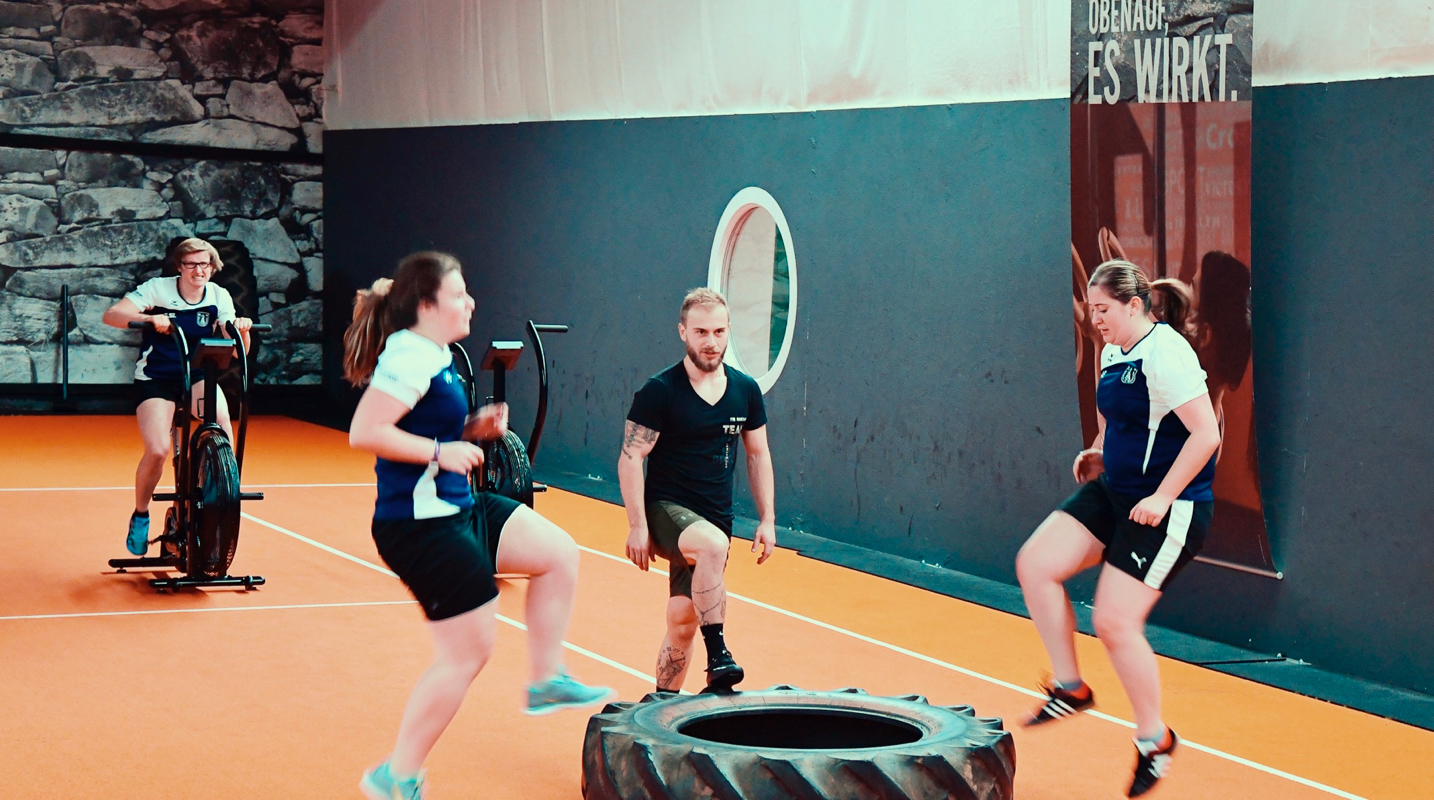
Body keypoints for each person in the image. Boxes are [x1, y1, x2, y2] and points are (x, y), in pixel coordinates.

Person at [344, 251, 612, 800]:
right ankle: (395, 775)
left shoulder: (438, 352)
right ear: (426, 305)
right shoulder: (409, 354)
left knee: (557, 554)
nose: (471, 302)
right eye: (459, 294)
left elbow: (422, 423)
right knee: (466, 654)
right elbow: (365, 431)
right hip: (417, 524)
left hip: (457, 507)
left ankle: (544, 680)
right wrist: (443, 451)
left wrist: (471, 428)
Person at [1015, 260, 1221, 797]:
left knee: (1113, 621)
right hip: (1118, 491)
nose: (1095, 319)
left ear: (1135, 306)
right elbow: (1116, 417)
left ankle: (1155, 741)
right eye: (1092, 309)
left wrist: (1163, 495)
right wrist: (1099, 451)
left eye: (1103, 309)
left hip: (1169, 508)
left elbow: (1206, 435)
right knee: (1035, 565)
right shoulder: (1113, 350)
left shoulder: (1167, 354)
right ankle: (1071, 686)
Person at [618, 288, 776, 694]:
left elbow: (758, 454)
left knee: (683, 620)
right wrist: (637, 526)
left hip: (714, 517)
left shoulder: (745, 390)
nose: (711, 341)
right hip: (665, 510)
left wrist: (767, 519)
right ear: (683, 332)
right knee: (711, 545)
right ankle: (719, 655)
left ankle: (660, 705)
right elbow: (631, 457)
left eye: (719, 331)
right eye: (701, 331)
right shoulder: (661, 390)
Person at [102, 238, 252, 556]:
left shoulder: (218, 295)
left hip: (197, 376)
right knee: (158, 450)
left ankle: (214, 494)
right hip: (157, 378)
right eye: (191, 264)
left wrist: (242, 329)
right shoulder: (158, 289)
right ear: (179, 266)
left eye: (205, 264)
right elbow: (112, 315)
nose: (199, 270)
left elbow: (239, 352)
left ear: (213, 267)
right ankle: (141, 515)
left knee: (222, 425)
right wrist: (149, 318)